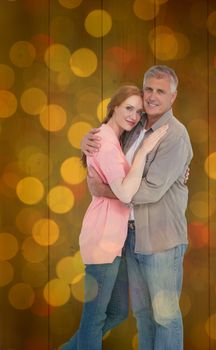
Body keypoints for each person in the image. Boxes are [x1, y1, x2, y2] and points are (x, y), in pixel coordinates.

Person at [81, 65, 193, 350]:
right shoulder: (135, 127)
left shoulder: (174, 136)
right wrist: (85, 143)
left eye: (161, 91)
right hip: (132, 236)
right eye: (149, 89)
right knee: (143, 314)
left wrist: (104, 191)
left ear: (173, 97)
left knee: (165, 316)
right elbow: (107, 153)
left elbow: (152, 190)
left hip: (161, 240)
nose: (153, 96)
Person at [61, 85, 168, 350]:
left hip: (115, 240)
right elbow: (124, 192)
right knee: (94, 317)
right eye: (128, 108)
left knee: (117, 312)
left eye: (138, 111)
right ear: (114, 107)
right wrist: (144, 151)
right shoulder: (106, 142)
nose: (133, 115)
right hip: (103, 238)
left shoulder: (113, 139)